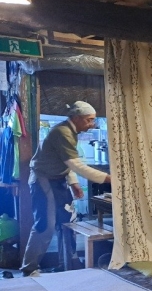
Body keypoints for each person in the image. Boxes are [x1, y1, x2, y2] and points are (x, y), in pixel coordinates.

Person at [21, 101, 111, 276]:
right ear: (76, 118)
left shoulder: (71, 131)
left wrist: (73, 183)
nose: (92, 124)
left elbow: (66, 163)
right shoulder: (62, 132)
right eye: (89, 120)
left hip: (58, 181)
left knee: (67, 223)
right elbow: (76, 165)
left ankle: (68, 264)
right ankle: (29, 268)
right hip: (43, 180)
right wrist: (107, 179)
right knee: (45, 225)